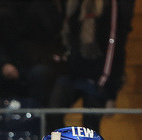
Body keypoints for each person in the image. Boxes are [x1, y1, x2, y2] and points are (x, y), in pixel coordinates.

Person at [47, 0, 133, 132]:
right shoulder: (71, 5)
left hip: (97, 77)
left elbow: (113, 47)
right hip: (72, 72)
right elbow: (63, 35)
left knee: (90, 126)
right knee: (53, 112)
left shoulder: (109, 5)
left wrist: (110, 91)